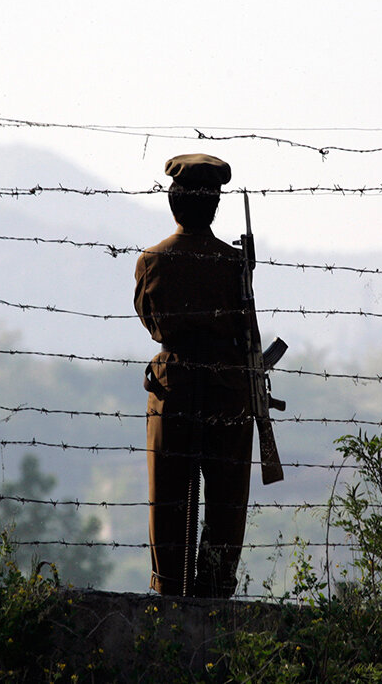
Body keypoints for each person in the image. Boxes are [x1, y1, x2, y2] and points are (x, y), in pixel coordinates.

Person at [134, 153, 253, 598]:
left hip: (173, 387)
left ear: (173, 202)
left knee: (168, 502)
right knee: (225, 502)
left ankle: (168, 593)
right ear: (215, 205)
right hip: (228, 389)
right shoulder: (233, 264)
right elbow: (244, 324)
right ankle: (216, 589)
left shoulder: (153, 261)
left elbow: (151, 321)